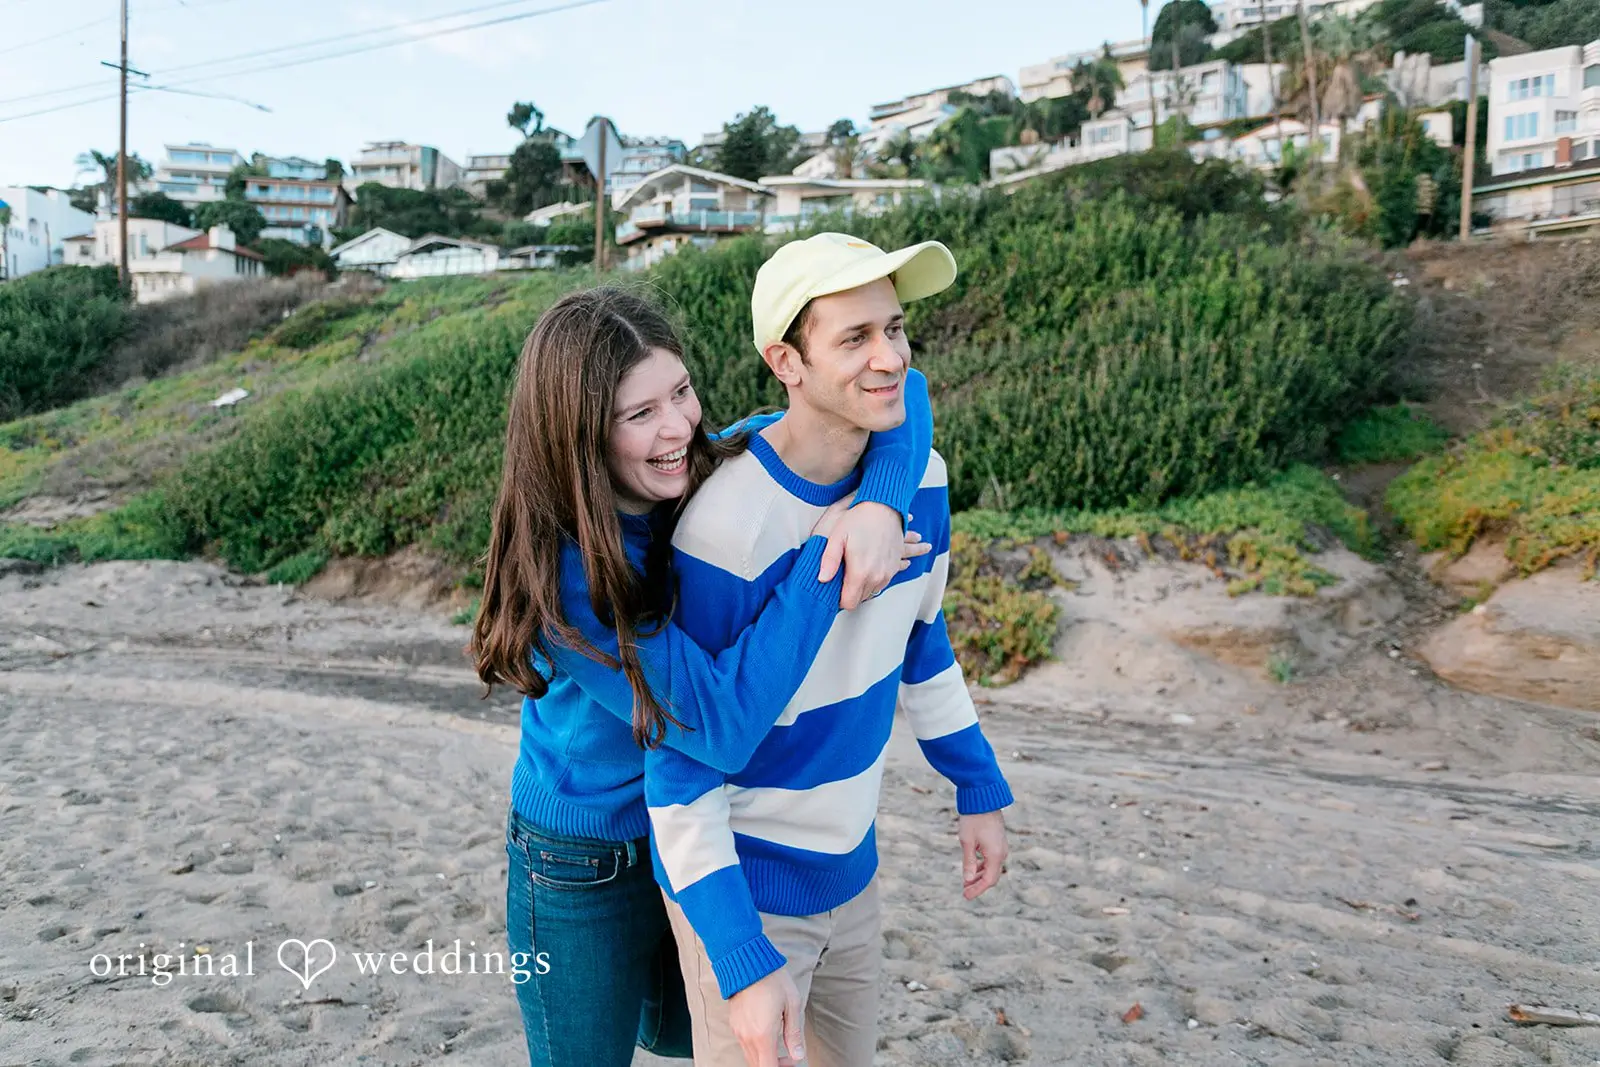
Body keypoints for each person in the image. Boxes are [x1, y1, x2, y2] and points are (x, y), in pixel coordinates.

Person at [470, 285, 936, 1067]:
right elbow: (714, 724)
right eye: (640, 414)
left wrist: (881, 508)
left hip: (698, 839)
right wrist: (827, 565)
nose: (679, 426)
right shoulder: (566, 577)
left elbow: (904, 396)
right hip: (586, 857)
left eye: (680, 391)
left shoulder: (704, 465)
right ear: (580, 435)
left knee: (710, 1041)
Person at [645, 233, 1014, 1067]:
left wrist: (976, 782)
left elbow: (921, 638)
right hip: (747, 890)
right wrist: (739, 959)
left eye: (895, 328)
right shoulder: (723, 527)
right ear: (787, 361)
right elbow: (679, 765)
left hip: (852, 873)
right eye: (854, 338)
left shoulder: (922, 480)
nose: (888, 358)